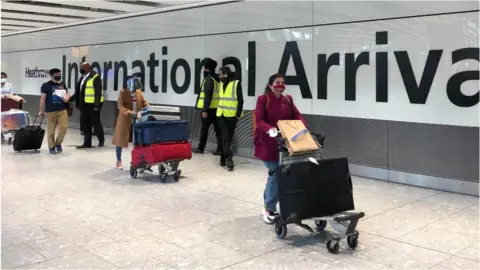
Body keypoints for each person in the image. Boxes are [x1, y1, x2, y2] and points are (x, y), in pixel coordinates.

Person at [253, 74, 307, 224]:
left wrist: (301, 125)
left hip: (285, 143)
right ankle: (269, 208)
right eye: (277, 82)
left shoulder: (287, 99)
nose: (280, 85)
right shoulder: (263, 99)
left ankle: (270, 204)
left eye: (282, 83)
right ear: (270, 85)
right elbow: (259, 120)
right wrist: (269, 129)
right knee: (276, 174)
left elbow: (297, 115)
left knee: (279, 175)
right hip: (267, 143)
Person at [112, 76, 149, 170]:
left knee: (138, 142)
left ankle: (139, 161)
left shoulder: (139, 92)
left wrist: (148, 108)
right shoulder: (123, 92)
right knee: (120, 141)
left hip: (138, 120)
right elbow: (120, 105)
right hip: (125, 119)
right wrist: (130, 113)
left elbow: (144, 103)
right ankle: (118, 161)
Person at [192, 58, 222, 155]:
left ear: (207, 69)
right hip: (217, 109)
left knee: (204, 130)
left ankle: (201, 148)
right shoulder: (218, 80)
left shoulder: (209, 80)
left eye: (205, 69)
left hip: (208, 111)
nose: (204, 71)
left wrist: (204, 110)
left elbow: (207, 96)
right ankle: (220, 149)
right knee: (218, 131)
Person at [216, 66, 244, 170]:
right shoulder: (220, 84)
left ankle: (222, 157)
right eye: (219, 75)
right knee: (225, 137)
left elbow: (240, 100)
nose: (220, 76)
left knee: (228, 138)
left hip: (232, 115)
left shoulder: (236, 84)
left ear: (227, 74)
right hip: (221, 115)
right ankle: (229, 159)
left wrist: (237, 114)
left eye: (221, 74)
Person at [38, 68, 70, 155]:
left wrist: (67, 98)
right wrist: (41, 110)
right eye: (57, 75)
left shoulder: (62, 84)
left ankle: (58, 143)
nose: (59, 76)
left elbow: (67, 93)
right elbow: (42, 99)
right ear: (52, 75)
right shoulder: (45, 85)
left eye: (60, 74)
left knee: (64, 127)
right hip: (50, 111)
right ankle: (51, 147)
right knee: (51, 130)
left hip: (62, 110)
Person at [75, 62, 105, 149]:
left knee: (96, 123)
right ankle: (87, 142)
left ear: (87, 67)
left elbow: (98, 92)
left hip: (92, 105)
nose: (80, 69)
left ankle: (101, 140)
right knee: (85, 124)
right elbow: (78, 92)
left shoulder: (95, 77)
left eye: (82, 67)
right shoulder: (82, 78)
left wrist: (96, 105)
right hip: (83, 105)